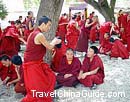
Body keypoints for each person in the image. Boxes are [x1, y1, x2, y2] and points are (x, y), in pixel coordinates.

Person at [21, 16, 61, 102]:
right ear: (43, 24)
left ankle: (47, 94)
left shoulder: (33, 33)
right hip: (32, 65)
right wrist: (55, 40)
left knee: (50, 77)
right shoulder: (39, 35)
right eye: (49, 25)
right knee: (36, 88)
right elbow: (50, 47)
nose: (49, 28)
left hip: (36, 63)